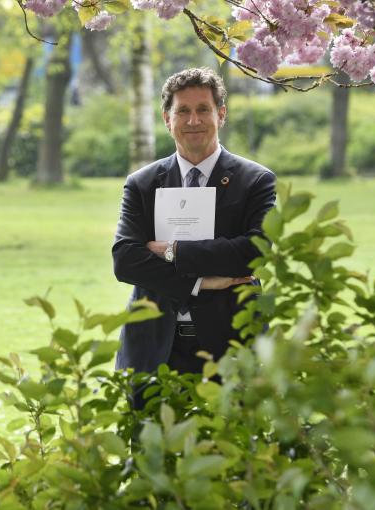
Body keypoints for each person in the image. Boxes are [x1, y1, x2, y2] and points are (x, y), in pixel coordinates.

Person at [112, 67, 276, 395]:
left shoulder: (255, 181)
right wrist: (201, 282)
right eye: (182, 111)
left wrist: (173, 251)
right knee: (152, 447)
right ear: (166, 119)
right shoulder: (142, 184)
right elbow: (126, 260)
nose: (193, 121)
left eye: (203, 109)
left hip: (230, 348)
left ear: (222, 114)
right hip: (154, 349)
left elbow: (256, 251)